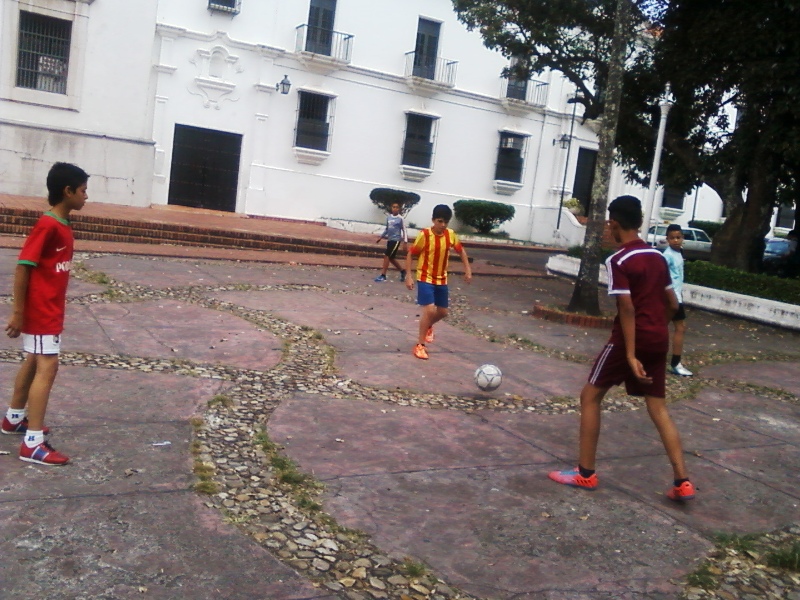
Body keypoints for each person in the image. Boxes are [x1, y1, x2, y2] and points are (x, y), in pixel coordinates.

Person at [548, 195, 695, 501]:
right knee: (657, 407)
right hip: (658, 338)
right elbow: (672, 304)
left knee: (590, 396)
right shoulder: (657, 256)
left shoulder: (619, 259)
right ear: (639, 221)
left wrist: (630, 353)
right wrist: (656, 326)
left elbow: (626, 309)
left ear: (613, 223)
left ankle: (585, 473)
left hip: (628, 340)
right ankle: (682, 480)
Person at [1, 162, 89, 465]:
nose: (86, 197)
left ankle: (14, 418)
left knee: (33, 359)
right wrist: (18, 313)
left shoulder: (62, 225)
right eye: (83, 190)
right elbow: (23, 267)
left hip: (48, 310)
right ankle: (33, 443)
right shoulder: (48, 225)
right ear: (67, 192)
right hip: (42, 312)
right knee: (48, 366)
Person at [405, 204, 472, 360]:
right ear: (433, 220)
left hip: (441, 278)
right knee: (429, 309)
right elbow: (410, 254)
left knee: (443, 312)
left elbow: (461, 251)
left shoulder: (450, 235)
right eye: (440, 221)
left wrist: (467, 269)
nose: (443, 225)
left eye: (446, 222)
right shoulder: (425, 235)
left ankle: (428, 326)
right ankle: (420, 345)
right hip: (425, 277)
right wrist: (408, 275)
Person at [663, 224, 693, 376]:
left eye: (678, 237)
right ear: (667, 239)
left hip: (677, 296)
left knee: (662, 327)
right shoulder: (667, 256)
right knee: (679, 328)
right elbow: (662, 277)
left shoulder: (679, 252)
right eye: (672, 238)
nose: (676, 240)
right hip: (672, 297)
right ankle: (675, 363)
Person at [374, 202, 408, 282]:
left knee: (387, 256)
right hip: (390, 239)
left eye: (397, 207)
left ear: (399, 209)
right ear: (391, 208)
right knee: (391, 258)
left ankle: (383, 275)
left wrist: (405, 242)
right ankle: (402, 271)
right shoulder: (389, 218)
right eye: (393, 207)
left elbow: (404, 230)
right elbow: (387, 229)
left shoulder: (400, 219)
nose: (395, 209)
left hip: (396, 240)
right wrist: (381, 237)